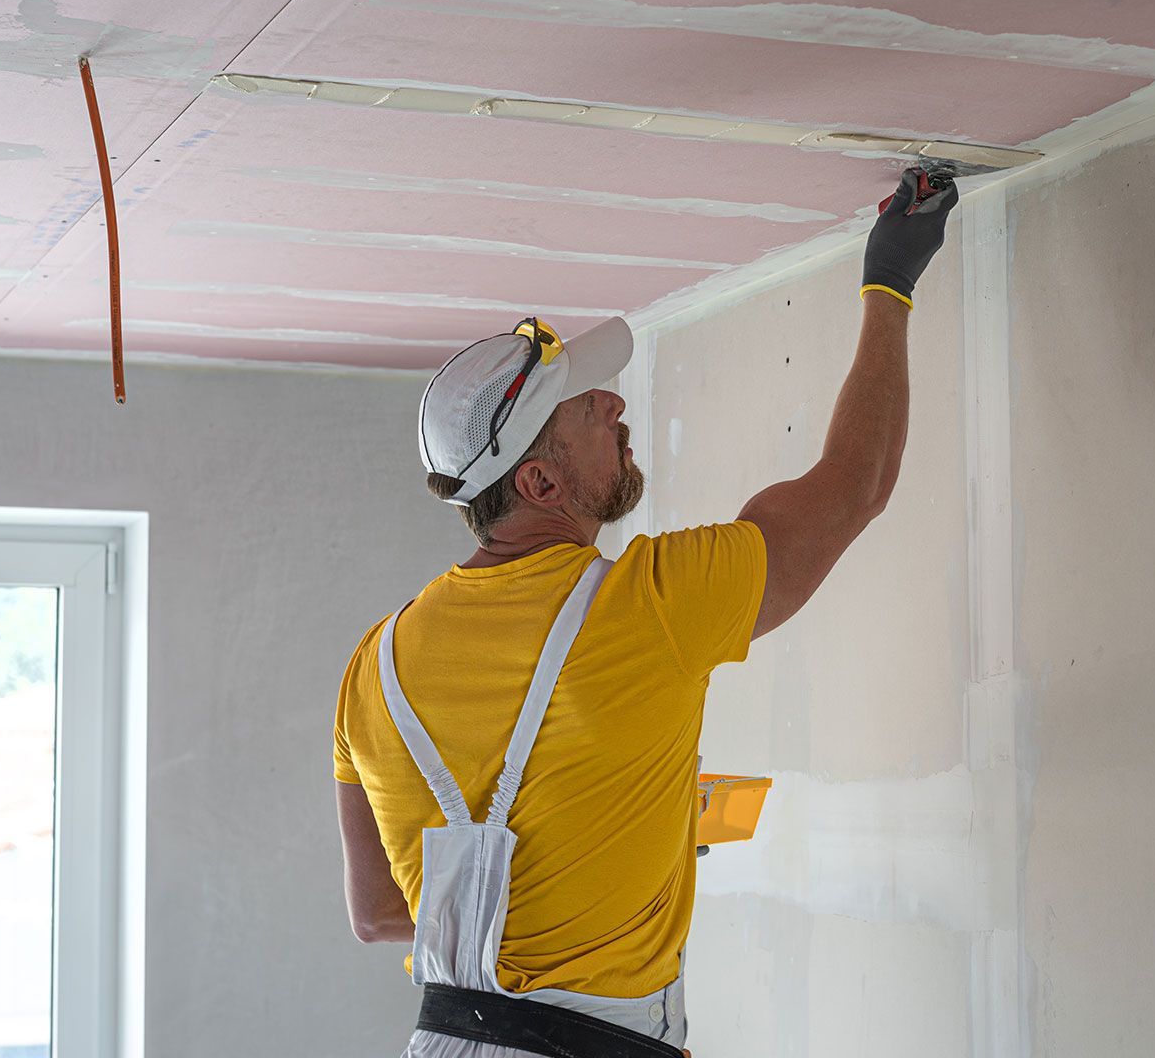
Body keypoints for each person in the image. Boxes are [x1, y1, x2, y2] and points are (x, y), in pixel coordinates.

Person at [331, 168, 960, 1057]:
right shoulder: (648, 603)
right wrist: (889, 281)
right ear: (540, 483)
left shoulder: (375, 663)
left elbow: (379, 912)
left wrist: (603, 840)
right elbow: (854, 488)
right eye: (593, 411)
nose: (619, 407)